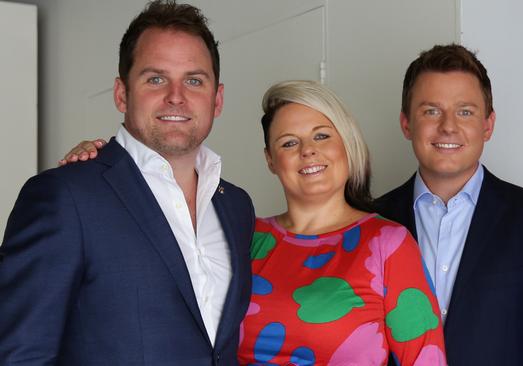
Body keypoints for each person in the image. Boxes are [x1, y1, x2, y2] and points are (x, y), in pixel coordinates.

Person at [57, 80, 448, 365]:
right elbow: (149, 272)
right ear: (270, 159)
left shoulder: (387, 243)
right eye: (288, 142)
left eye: (322, 135)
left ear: (347, 144)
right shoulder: (242, 233)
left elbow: (425, 359)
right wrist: (109, 166)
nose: (307, 150)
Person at [0, 1, 254, 365]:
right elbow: (20, 354)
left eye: (194, 80)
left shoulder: (236, 206)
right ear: (122, 94)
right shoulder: (66, 196)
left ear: (218, 99)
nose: (176, 96)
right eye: (156, 79)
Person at [373, 44, 523, 365]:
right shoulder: (371, 221)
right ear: (406, 123)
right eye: (431, 111)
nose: (448, 126)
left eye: (465, 111)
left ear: (488, 125)